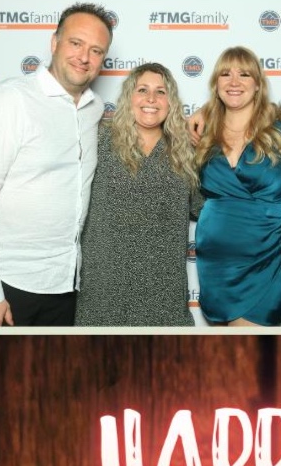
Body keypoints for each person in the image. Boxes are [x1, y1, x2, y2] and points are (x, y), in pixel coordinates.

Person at [0, 4, 113, 328]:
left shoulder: (94, 108)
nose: (84, 57)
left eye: (96, 50)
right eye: (76, 43)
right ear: (54, 43)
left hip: (64, 286)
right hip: (6, 285)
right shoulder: (11, 100)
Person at [75, 64, 202, 328]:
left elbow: (205, 210)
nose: (151, 99)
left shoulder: (186, 152)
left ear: (171, 102)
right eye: (142, 90)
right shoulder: (99, 139)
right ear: (129, 97)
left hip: (164, 295)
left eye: (161, 92)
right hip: (104, 291)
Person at [194, 49, 281, 328]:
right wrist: (204, 111)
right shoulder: (204, 135)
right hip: (216, 263)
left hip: (267, 258)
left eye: (244, 74)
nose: (234, 81)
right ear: (216, 83)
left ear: (258, 84)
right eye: (225, 74)